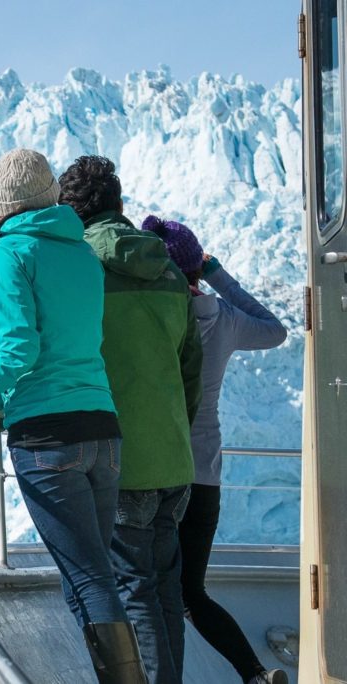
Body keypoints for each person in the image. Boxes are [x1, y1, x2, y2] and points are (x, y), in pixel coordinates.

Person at [0, 149, 147, 683]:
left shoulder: (9, 252)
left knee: (89, 579)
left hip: (49, 442)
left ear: (2, 203)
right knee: (91, 578)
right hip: (102, 430)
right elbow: (68, 350)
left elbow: (20, 351)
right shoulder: (83, 255)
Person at [58, 156, 202, 684]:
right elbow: (191, 370)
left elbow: (61, 357)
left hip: (122, 462)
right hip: (174, 460)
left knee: (133, 589)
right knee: (165, 590)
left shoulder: (80, 269)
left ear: (69, 214)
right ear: (121, 205)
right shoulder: (168, 271)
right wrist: (173, 433)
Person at [142, 215, 289, 684]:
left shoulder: (151, 315)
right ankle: (255, 675)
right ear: (193, 268)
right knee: (191, 593)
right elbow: (274, 329)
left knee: (150, 588)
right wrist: (216, 273)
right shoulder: (220, 317)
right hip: (204, 475)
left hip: (158, 473)